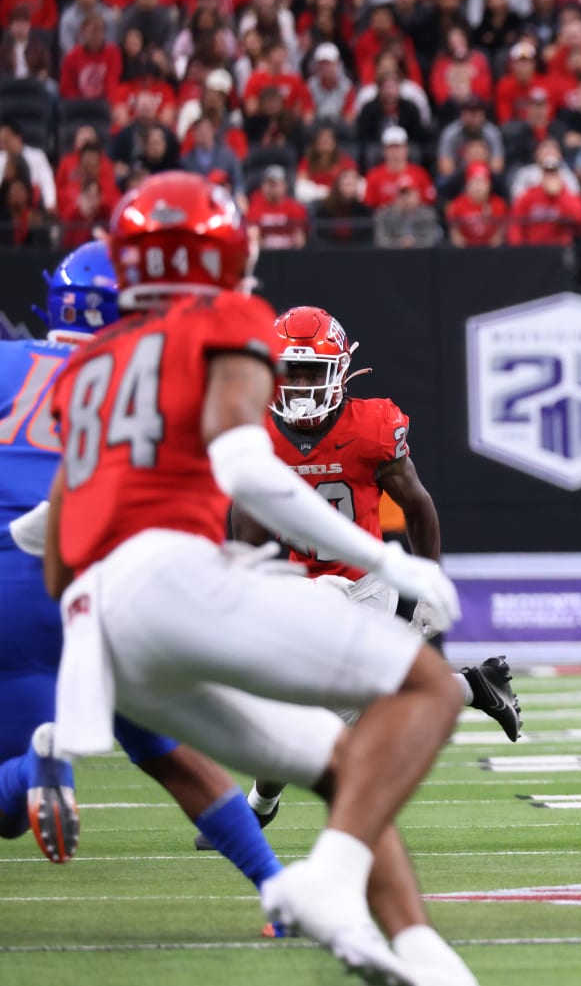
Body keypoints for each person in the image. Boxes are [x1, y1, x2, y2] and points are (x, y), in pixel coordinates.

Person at [34, 174, 473, 982]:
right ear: (221, 249)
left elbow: (54, 544)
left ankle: (418, 950)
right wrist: (386, 557)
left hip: (100, 623)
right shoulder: (224, 320)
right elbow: (246, 468)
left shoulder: (87, 366)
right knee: (432, 689)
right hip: (169, 582)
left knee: (347, 767)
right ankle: (331, 884)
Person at [0, 244, 288, 916]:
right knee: (166, 751)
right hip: (94, 577)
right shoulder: (145, 383)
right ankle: (279, 890)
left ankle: (32, 768)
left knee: (11, 812)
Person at [218, 305, 522, 845]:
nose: (302, 385)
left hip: (367, 585)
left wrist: (429, 584)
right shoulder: (257, 431)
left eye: (313, 372)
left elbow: (419, 507)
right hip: (297, 586)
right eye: (293, 371)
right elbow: (245, 519)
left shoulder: (372, 425)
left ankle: (259, 808)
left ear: (340, 371)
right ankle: (475, 688)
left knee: (319, 709)